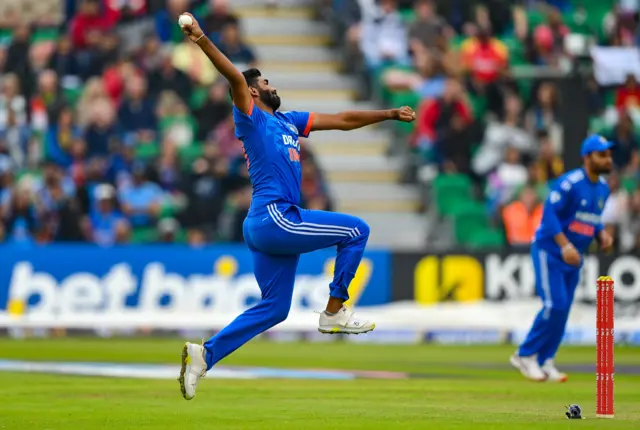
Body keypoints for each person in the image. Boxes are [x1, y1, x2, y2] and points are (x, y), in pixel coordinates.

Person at [176, 13, 416, 400]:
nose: (271, 86)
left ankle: (205, 355)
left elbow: (341, 119)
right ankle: (335, 310)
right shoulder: (251, 118)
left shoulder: (288, 121)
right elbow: (235, 79)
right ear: (254, 94)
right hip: (275, 217)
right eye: (265, 83)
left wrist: (387, 114)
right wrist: (201, 38)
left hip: (266, 224)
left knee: (274, 309)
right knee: (356, 230)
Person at [510, 134, 614, 382]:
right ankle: (524, 355)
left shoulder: (603, 188)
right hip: (551, 251)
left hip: (574, 256)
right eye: (602, 154)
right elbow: (549, 215)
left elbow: (590, 218)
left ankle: (546, 360)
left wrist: (602, 235)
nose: (608, 159)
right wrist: (565, 246)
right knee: (553, 305)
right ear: (587, 158)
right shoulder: (570, 182)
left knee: (563, 309)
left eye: (609, 154)